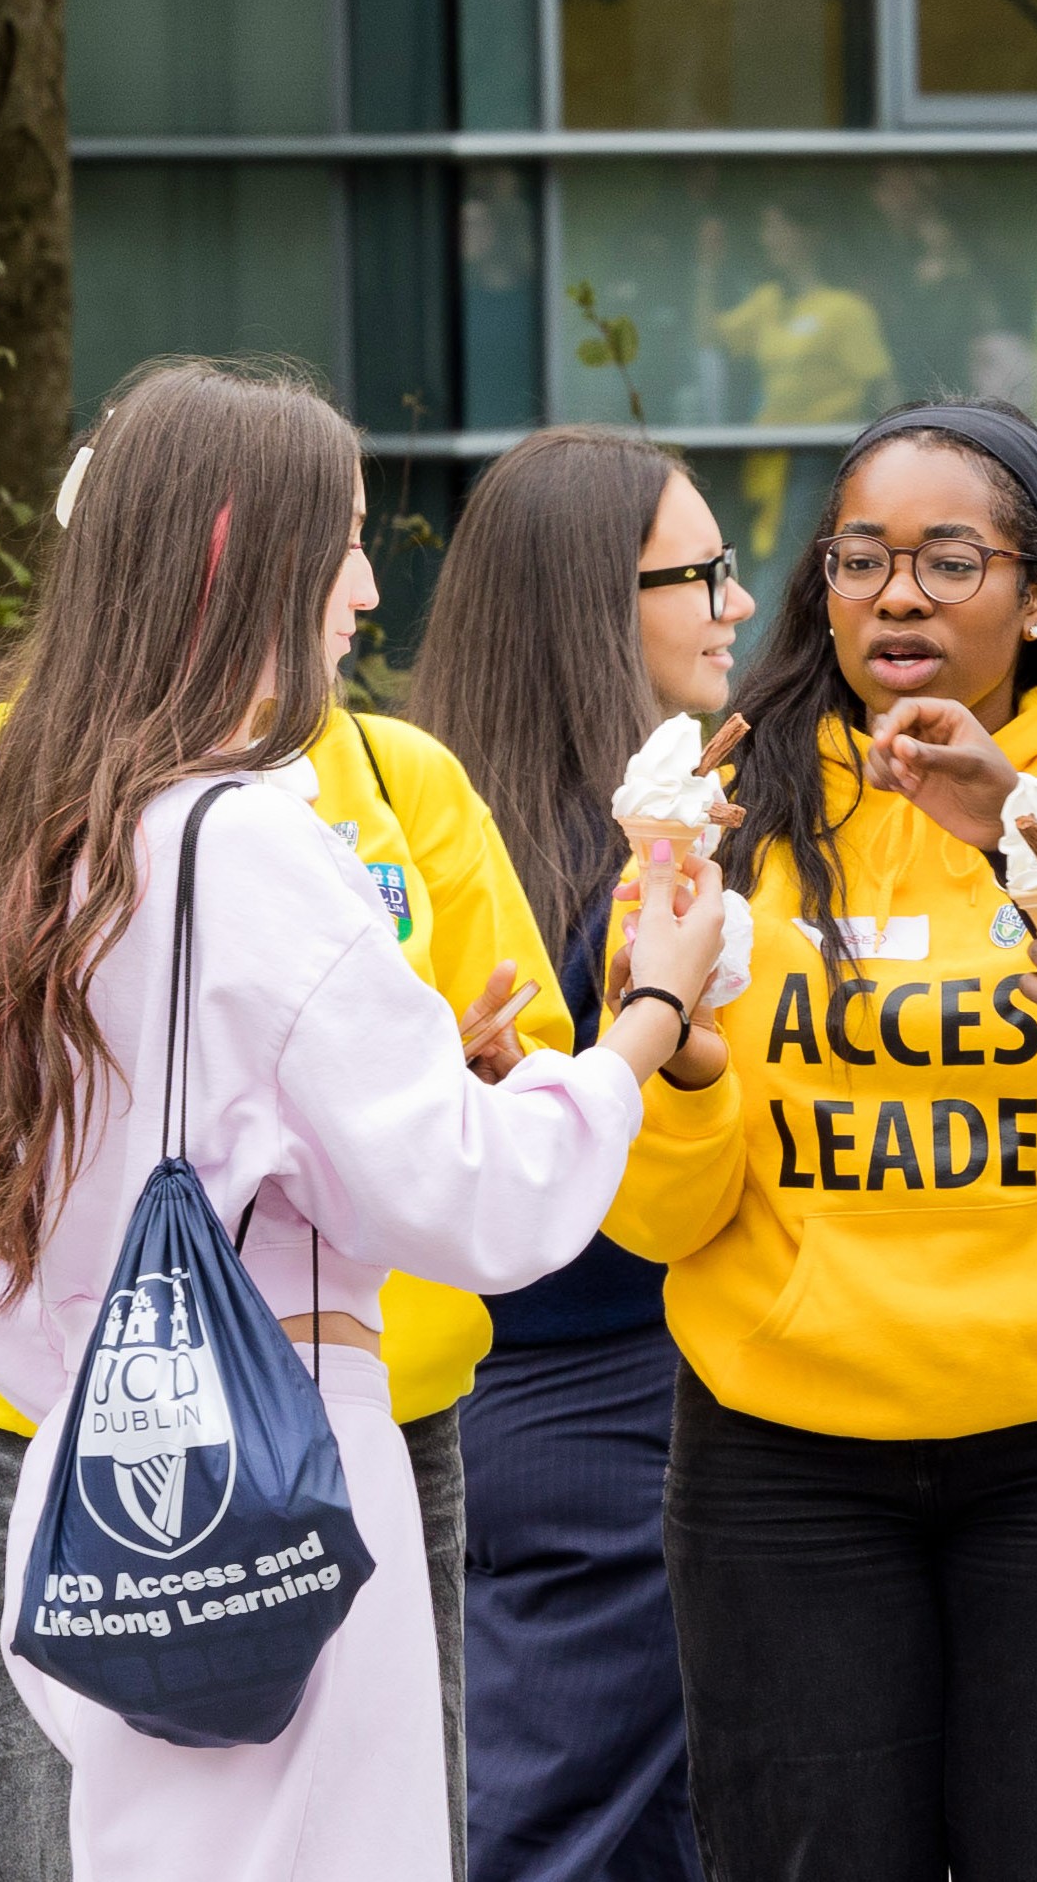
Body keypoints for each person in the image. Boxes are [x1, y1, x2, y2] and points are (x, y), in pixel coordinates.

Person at [0, 359, 724, 1882]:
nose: (361, 587)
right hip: (286, 1474)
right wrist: (646, 1017)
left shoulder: (27, 840)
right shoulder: (258, 840)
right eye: (342, 537)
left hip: (106, 1493)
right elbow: (484, 1205)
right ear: (243, 555)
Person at [610, 398, 1037, 1880]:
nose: (895, 593)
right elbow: (656, 1217)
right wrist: (689, 1064)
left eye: (947, 559)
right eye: (860, 557)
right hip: (779, 1463)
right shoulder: (724, 821)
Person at [404, 427, 755, 1882]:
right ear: (589, 604)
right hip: (608, 1400)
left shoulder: (434, 826)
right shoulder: (613, 874)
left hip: (484, 1400)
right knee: (583, 1834)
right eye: (702, 572)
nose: (736, 601)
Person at [697, 191, 892, 555]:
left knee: (787, 560)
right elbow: (711, 336)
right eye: (767, 229)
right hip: (769, 454)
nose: (769, 238)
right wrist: (708, 267)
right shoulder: (770, 301)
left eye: (779, 227)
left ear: (810, 235)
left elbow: (882, 386)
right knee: (766, 552)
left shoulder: (846, 309)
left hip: (817, 455)